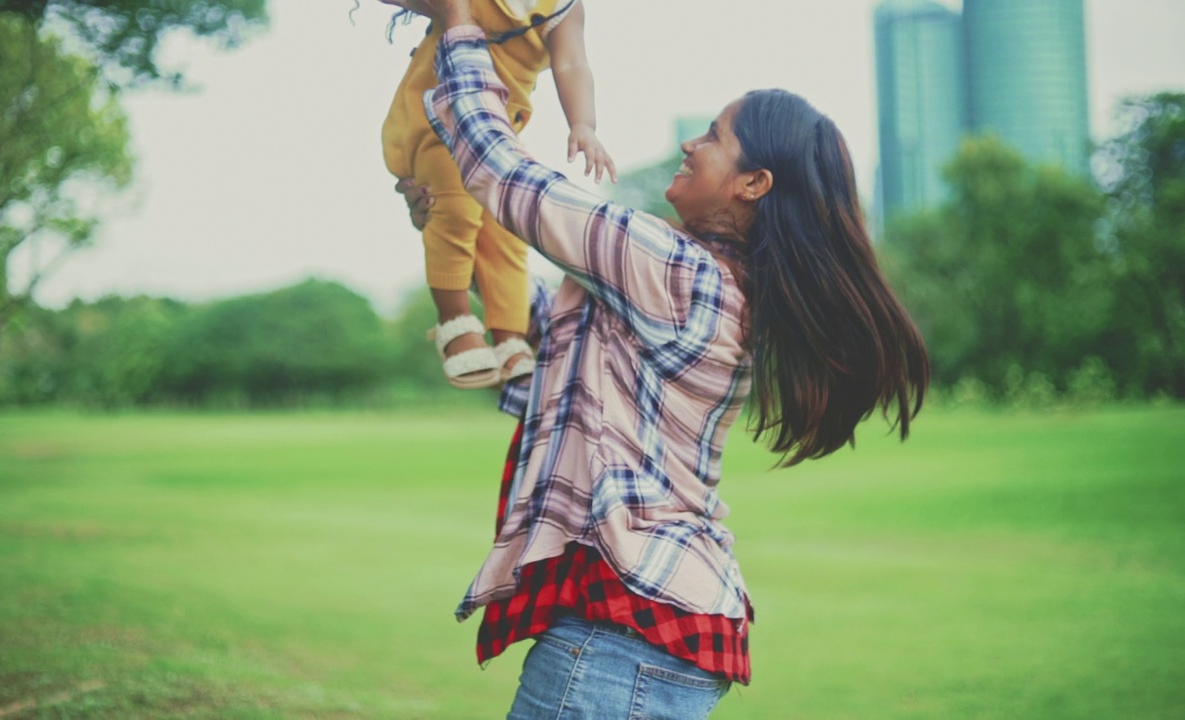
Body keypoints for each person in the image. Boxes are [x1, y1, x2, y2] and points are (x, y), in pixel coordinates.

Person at [397, 1, 930, 716]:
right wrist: (447, 219)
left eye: (713, 137)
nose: (690, 146)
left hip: (621, 640)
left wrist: (459, 22)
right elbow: (542, 345)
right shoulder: (710, 285)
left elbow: (504, 174)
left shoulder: (676, 268)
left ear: (753, 183)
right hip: (653, 633)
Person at [378, 0, 616, 389]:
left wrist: (584, 124)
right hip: (436, 116)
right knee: (455, 212)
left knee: (507, 231)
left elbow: (572, 63)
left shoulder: (562, 8)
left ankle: (509, 338)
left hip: (498, 138)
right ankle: (454, 322)